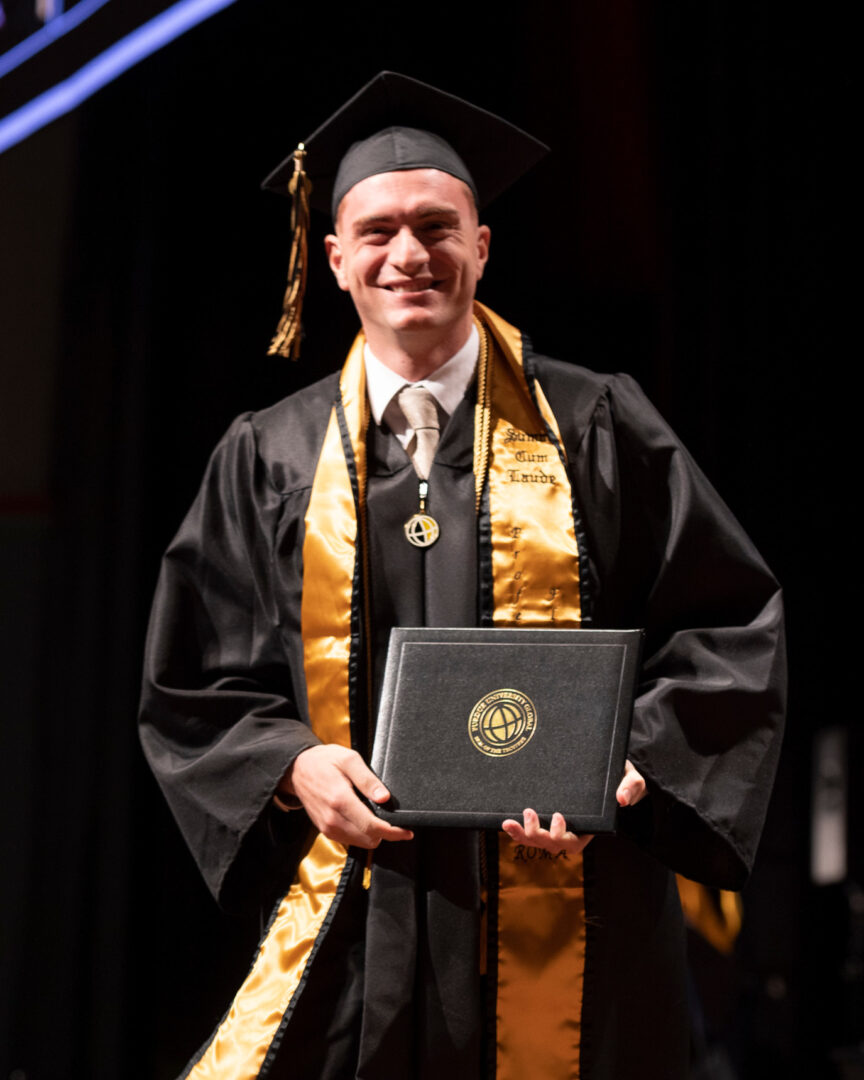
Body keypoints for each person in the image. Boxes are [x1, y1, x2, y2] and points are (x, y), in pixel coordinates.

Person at [139, 72, 786, 1080]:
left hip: (577, 912)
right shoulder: (270, 455)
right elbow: (195, 683)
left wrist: (630, 771)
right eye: (380, 232)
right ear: (336, 258)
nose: (410, 255)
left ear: (482, 246)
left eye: (438, 227)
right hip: (360, 910)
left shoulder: (598, 425)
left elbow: (728, 622)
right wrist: (293, 766)